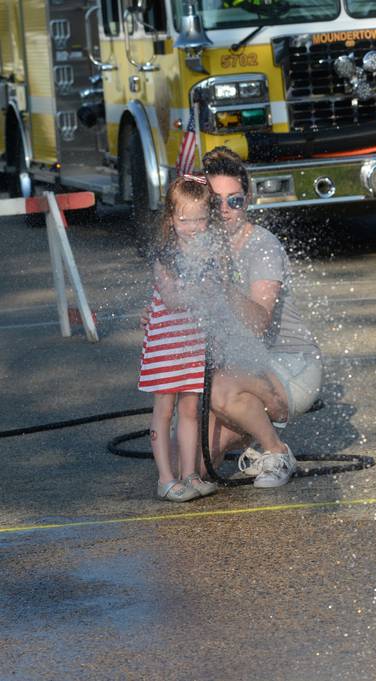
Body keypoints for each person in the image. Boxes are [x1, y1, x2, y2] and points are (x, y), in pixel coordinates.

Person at [199, 146, 323, 488]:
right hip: (243, 369)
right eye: (216, 201)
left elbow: (258, 323)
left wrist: (222, 287)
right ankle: (252, 437)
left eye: (234, 200)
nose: (225, 210)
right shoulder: (203, 245)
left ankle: (276, 449)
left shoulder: (262, 247)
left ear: (248, 199)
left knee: (219, 389)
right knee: (196, 464)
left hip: (292, 364)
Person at [138, 175, 220, 502]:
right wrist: (204, 289)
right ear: (171, 219)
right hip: (165, 345)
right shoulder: (165, 255)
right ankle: (165, 478)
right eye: (185, 220)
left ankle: (190, 475)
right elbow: (171, 299)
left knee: (190, 409)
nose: (193, 227)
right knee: (164, 408)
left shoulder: (211, 254)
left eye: (201, 219)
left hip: (193, 344)